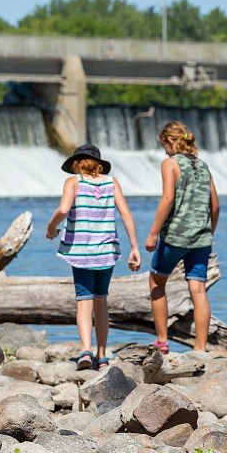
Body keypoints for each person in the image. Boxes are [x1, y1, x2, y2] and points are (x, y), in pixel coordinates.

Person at [47, 143, 141, 370]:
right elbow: (126, 214)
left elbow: (62, 210)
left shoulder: (73, 182)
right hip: (106, 252)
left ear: (76, 164)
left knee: (84, 300)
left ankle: (86, 351)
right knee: (101, 300)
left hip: (80, 252)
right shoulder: (111, 182)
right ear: (99, 165)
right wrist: (134, 247)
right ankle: (102, 355)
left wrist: (51, 227)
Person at [145, 122, 219, 354]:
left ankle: (162, 341)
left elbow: (167, 199)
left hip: (175, 236)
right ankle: (200, 347)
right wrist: (208, 232)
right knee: (198, 289)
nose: (164, 151)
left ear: (170, 142)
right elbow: (215, 206)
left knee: (157, 282)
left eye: (163, 146)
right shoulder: (203, 165)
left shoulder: (170, 163)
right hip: (201, 238)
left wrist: (153, 233)